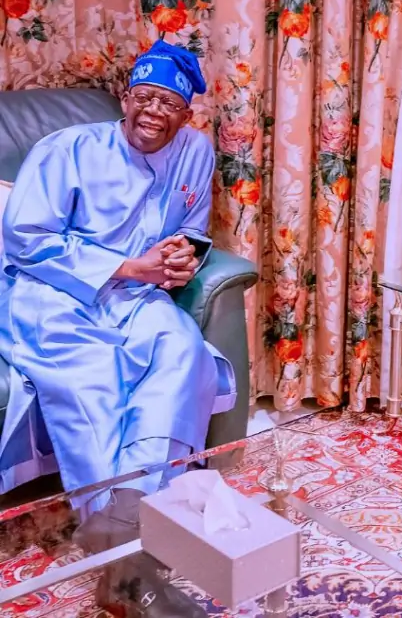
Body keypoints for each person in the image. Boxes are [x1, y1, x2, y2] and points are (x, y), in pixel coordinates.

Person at [0, 41, 235, 616]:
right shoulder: (66, 149)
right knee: (91, 383)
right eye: (143, 97)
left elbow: (191, 229)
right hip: (53, 293)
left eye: (168, 104)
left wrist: (184, 256)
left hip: (136, 296)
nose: (153, 112)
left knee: (183, 352)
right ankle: (129, 575)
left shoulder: (195, 151)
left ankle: (125, 513)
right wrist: (129, 266)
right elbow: (25, 239)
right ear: (126, 99)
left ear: (185, 115)